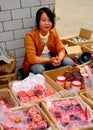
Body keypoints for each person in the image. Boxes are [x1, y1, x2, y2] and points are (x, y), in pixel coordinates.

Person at [22, 7, 74, 76]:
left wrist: (59, 59)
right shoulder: (30, 35)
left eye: (50, 20)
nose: (47, 23)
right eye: (43, 20)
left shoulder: (53, 32)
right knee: (39, 69)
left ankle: (59, 79)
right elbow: (32, 58)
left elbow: (61, 49)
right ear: (37, 21)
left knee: (68, 62)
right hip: (37, 63)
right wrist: (50, 60)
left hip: (51, 61)